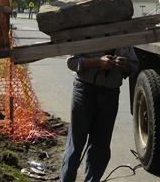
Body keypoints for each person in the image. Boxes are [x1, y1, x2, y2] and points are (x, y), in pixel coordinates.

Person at [59, 47, 138, 182]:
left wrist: (125, 65)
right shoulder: (89, 30)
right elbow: (71, 62)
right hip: (84, 90)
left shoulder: (124, 34)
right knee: (75, 144)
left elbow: (134, 65)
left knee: (100, 146)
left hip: (110, 94)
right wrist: (97, 62)